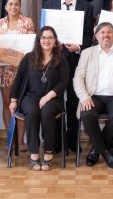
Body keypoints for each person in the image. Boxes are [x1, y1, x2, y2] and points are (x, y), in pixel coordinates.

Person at [72, 22, 113, 170]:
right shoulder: (87, 53)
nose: (106, 35)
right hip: (92, 96)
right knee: (87, 115)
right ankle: (107, 154)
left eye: (109, 32)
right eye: (102, 32)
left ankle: (96, 150)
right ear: (96, 36)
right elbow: (78, 78)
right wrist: (84, 97)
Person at [41, 0, 95, 152]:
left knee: (73, 100)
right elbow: (44, 33)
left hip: (76, 59)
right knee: (54, 99)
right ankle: (56, 141)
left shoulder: (87, 7)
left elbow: (89, 35)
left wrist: (78, 47)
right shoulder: (49, 5)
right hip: (53, 59)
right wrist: (51, 44)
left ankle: (73, 141)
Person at [9, 27, 70, 171]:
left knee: (47, 113)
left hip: (53, 98)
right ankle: (34, 153)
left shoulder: (61, 59)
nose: (47, 40)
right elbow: (18, 80)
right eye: (43, 37)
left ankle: (48, 152)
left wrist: (48, 96)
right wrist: (13, 100)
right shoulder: (29, 57)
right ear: (39, 40)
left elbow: (63, 82)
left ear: (55, 41)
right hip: (30, 96)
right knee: (32, 113)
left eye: (50, 37)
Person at [0, 0, 35, 152]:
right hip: (4, 70)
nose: (13, 7)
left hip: (23, 70)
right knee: (7, 104)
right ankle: (11, 138)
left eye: (16, 4)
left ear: (20, 7)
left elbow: (32, 46)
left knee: (21, 105)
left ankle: (20, 140)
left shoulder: (28, 22)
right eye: (10, 4)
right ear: (5, 7)